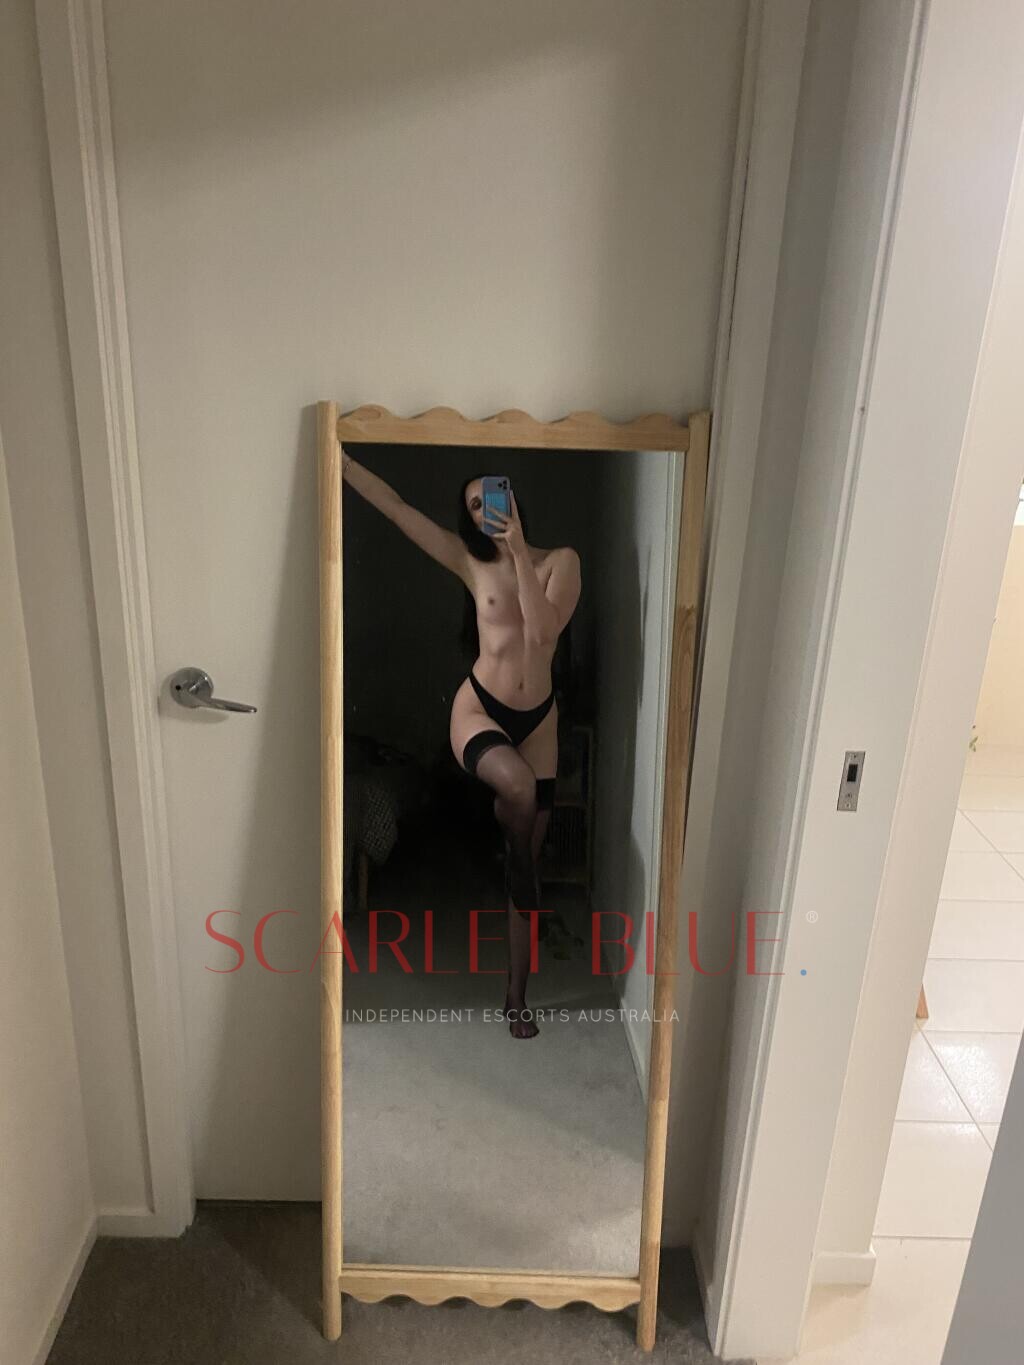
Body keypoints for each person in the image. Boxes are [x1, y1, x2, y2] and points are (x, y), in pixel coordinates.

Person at [342, 451, 581, 1038]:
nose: (484, 511)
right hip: (478, 709)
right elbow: (397, 509)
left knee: (526, 871)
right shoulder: (469, 563)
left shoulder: (561, 561)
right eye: (474, 506)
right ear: (469, 518)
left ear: (511, 498)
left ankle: (516, 997)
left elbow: (544, 632)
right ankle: (514, 849)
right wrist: (341, 463)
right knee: (518, 793)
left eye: (491, 497)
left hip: (539, 721)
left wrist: (519, 551)